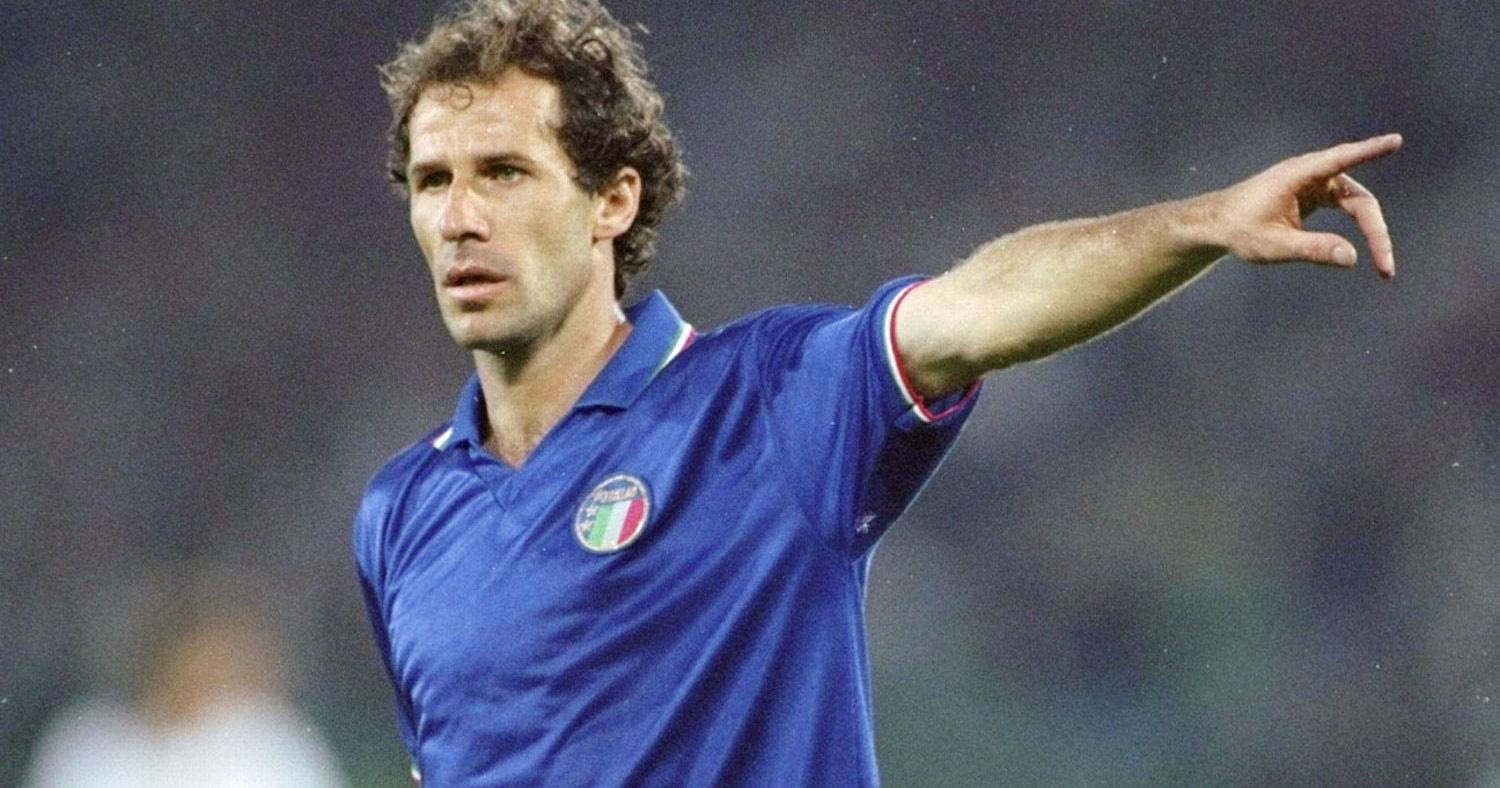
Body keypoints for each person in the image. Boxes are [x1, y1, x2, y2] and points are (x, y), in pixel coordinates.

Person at [353, 1, 1401, 784]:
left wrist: (1202, 223)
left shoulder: (764, 404)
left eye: (504, 172)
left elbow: (979, 307)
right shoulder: (400, 514)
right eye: (434, 180)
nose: (459, 217)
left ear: (611, 201)